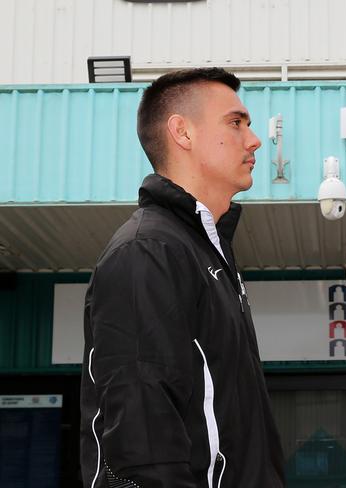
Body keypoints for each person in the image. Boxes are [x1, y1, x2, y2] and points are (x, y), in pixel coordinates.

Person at [80, 68, 284, 487]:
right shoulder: (148, 252)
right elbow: (140, 444)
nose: (254, 139)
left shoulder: (203, 251)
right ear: (182, 133)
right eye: (236, 122)